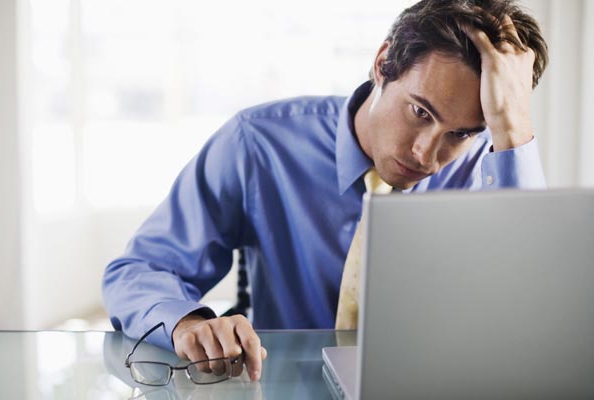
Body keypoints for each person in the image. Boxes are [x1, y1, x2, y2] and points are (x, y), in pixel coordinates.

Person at [103, 0, 548, 382]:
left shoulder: (489, 169)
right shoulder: (258, 144)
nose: (426, 155)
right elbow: (139, 269)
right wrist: (186, 322)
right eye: (419, 112)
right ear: (383, 63)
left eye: (461, 133)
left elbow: (535, 315)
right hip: (282, 386)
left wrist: (513, 129)